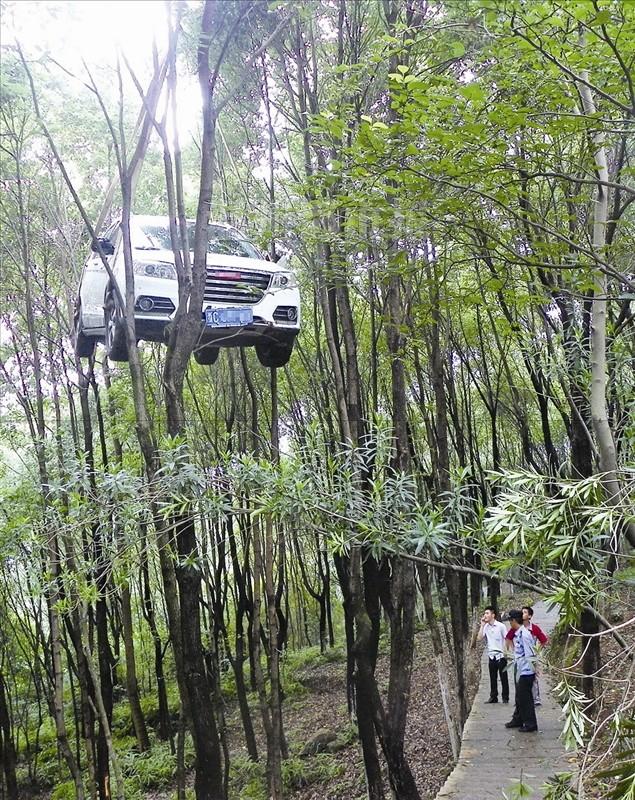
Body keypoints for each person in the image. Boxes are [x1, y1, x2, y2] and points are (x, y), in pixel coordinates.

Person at [505, 605, 548, 705]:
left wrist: (537, 650)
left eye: (525, 612)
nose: (522, 614)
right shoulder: (515, 628)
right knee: (518, 677)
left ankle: (535, 699)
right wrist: (513, 650)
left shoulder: (534, 629)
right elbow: (508, 638)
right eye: (522, 612)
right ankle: (519, 699)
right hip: (520, 659)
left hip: (531, 657)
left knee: (533, 678)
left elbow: (544, 640)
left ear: (529, 616)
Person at [505, 609, 538, 732]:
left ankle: (530, 724)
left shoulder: (524, 634)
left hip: (526, 671)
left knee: (526, 699)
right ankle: (518, 719)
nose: (509, 623)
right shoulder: (518, 633)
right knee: (520, 697)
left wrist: (533, 670)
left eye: (510, 621)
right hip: (521, 669)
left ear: (514, 621)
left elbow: (530, 653)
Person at [479, 606, 509, 704]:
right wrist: (482, 625)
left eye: (487, 613)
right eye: (484, 614)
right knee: (492, 677)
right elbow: (479, 638)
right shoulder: (486, 627)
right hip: (491, 655)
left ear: (493, 615)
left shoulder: (501, 626)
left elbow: (507, 638)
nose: (485, 615)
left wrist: (505, 652)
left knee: (503, 677)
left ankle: (505, 697)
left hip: (501, 655)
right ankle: (493, 697)